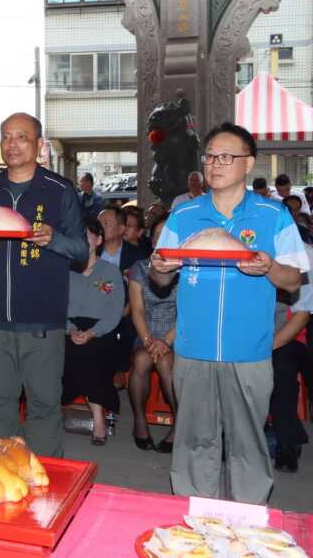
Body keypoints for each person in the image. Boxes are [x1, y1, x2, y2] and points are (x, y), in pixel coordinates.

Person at [151, 122, 308, 503]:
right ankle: (197, 525)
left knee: (247, 446)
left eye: (226, 157)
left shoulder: (273, 216)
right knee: (194, 444)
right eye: (209, 157)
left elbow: (293, 280)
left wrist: (269, 266)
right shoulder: (184, 216)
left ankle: (247, 527)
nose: (214, 164)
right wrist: (162, 266)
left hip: (249, 352)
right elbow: (158, 274)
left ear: (247, 164)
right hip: (193, 349)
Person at [0, 113, 88, 458]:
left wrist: (53, 239)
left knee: (44, 406)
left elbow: (80, 251)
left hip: (42, 319)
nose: (12, 144)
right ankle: (1, 473)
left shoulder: (60, 190)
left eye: (21, 137)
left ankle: (47, 481)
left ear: (39, 146)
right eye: (6, 137)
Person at [62, 216, 125, 446]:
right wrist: (71, 330)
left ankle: (98, 417)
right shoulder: (64, 271)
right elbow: (55, 307)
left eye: (86, 234)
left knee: (87, 351)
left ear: (98, 240)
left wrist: (91, 333)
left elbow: (115, 310)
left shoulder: (109, 272)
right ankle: (99, 414)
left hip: (102, 331)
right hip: (68, 329)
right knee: (77, 351)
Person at [127, 212, 177, 453]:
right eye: (157, 234)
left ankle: (180, 424)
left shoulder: (186, 269)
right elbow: (136, 310)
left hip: (178, 335)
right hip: (145, 333)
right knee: (140, 359)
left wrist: (166, 341)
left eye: (167, 234)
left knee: (166, 362)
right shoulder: (139, 267)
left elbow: (189, 312)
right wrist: (148, 340)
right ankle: (139, 420)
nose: (162, 238)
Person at [269, 269, 313, 472]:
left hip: (293, 338)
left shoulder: (304, 260)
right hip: (255, 338)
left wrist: (265, 348)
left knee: (282, 364)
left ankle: (286, 443)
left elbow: (301, 317)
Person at [97, 207, 146, 375]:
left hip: (125, 315)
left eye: (106, 223)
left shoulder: (136, 256)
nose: (100, 227)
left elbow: (140, 295)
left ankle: (119, 370)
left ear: (121, 229)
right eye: (98, 223)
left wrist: (121, 312)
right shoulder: (90, 252)